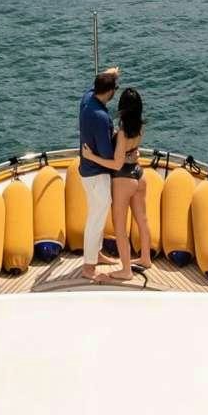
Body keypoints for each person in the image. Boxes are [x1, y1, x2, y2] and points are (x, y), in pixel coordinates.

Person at [75, 67, 122, 281]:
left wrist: (110, 73)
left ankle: (97, 253)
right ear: (110, 91)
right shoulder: (101, 117)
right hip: (96, 175)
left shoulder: (87, 100)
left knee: (98, 215)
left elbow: (91, 87)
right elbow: (107, 153)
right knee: (96, 218)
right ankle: (88, 266)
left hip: (86, 171)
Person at [108, 86, 153, 278]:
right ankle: (145, 258)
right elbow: (132, 153)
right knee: (142, 220)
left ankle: (126, 270)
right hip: (138, 174)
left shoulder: (122, 133)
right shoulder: (141, 127)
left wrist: (92, 156)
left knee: (119, 225)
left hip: (123, 178)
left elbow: (117, 161)